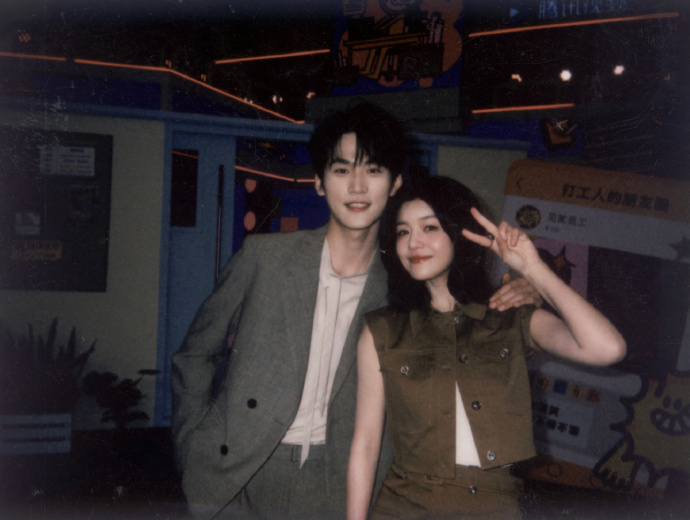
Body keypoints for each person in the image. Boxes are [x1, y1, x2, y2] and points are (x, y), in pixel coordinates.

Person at [171, 103, 541, 520]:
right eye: (342, 169)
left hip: (339, 480)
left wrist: (529, 291)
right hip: (243, 470)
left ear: (395, 183)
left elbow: (464, 311)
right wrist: (193, 451)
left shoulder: (405, 286)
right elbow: (194, 355)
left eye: (374, 170)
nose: (358, 186)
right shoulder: (265, 258)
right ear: (319, 181)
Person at [347, 176, 626, 520]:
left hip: (495, 506)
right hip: (404, 506)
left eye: (430, 227)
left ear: (460, 234)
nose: (413, 243)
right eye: (403, 232)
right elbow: (366, 444)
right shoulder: (383, 329)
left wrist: (533, 268)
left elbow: (607, 348)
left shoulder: (509, 316)